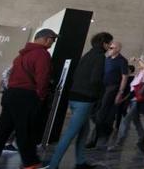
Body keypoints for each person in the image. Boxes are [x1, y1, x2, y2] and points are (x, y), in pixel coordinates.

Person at [0, 29, 57, 169]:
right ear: (45, 38)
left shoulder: (21, 55)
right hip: (26, 96)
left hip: (11, 95)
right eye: (52, 39)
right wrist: (41, 97)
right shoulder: (42, 54)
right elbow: (43, 78)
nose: (52, 42)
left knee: (1, 131)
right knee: (25, 131)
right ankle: (31, 163)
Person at [45, 32, 112, 169]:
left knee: (84, 131)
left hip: (75, 96)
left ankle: (80, 162)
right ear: (104, 43)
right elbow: (95, 79)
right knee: (70, 134)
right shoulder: (99, 57)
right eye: (109, 43)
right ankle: (53, 165)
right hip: (85, 99)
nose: (110, 46)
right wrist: (101, 93)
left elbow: (76, 75)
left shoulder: (87, 55)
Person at [86, 41, 129, 149]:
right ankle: (104, 131)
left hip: (112, 88)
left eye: (112, 48)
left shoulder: (122, 61)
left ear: (118, 49)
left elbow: (124, 77)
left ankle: (94, 139)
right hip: (103, 88)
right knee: (96, 112)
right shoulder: (107, 59)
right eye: (109, 47)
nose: (109, 49)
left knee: (102, 113)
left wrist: (120, 92)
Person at [110, 56, 144, 149]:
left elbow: (136, 90)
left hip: (136, 101)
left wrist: (123, 99)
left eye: (141, 62)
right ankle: (143, 139)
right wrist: (136, 59)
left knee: (125, 122)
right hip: (133, 101)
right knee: (136, 122)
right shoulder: (140, 73)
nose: (139, 63)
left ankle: (119, 144)